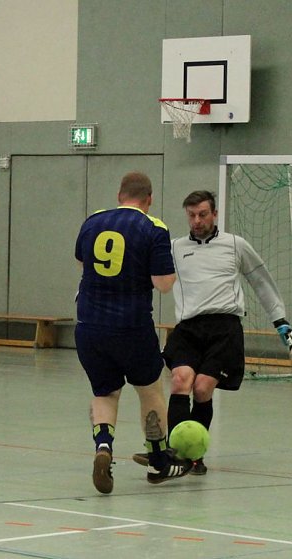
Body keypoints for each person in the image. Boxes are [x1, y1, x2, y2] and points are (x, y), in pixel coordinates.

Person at [133, 190, 292, 474]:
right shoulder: (174, 248)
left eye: (203, 214)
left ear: (215, 214)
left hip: (224, 328)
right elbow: (145, 277)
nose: (197, 221)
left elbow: (260, 280)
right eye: (192, 215)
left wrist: (279, 318)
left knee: (202, 387)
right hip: (188, 328)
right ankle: (174, 452)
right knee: (180, 380)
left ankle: (195, 454)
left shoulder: (235, 245)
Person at [74, 171, 192, 494]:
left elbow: (82, 264)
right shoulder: (154, 228)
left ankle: (103, 447)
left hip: (88, 327)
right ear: (149, 199)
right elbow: (163, 284)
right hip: (131, 327)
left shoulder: (93, 221)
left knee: (105, 392)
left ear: (119, 195)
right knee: (149, 390)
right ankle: (158, 462)